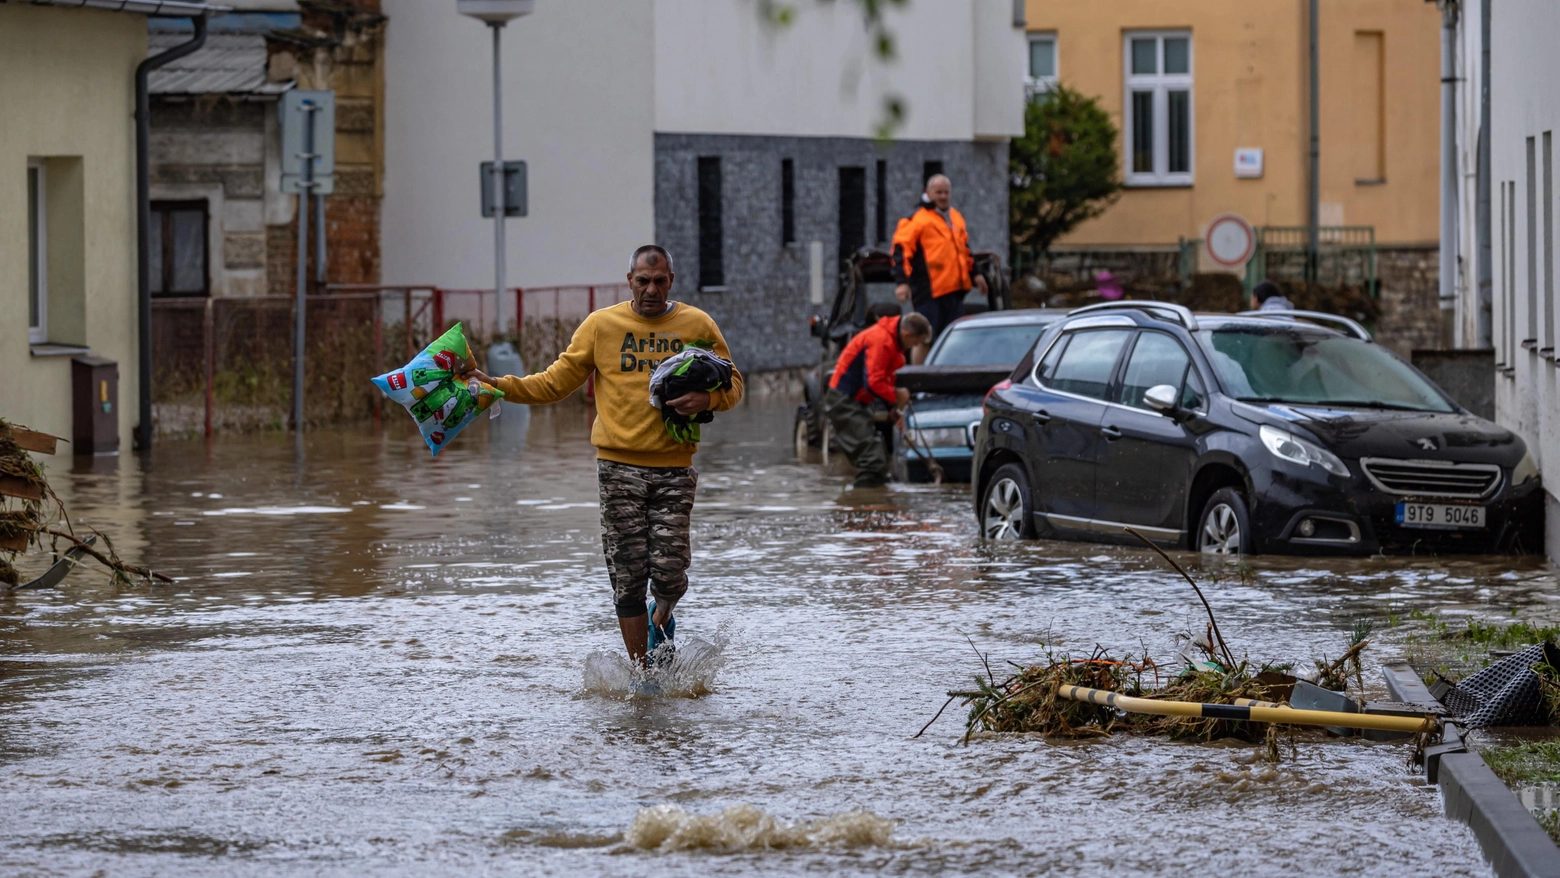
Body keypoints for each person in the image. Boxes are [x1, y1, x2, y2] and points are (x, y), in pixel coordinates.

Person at [462, 245, 743, 671]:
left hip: (674, 467)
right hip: (617, 468)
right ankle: (643, 676)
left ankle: (660, 618)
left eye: (660, 281)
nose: (651, 289)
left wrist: (709, 397)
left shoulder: (696, 324)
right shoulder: (602, 325)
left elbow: (734, 383)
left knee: (669, 574)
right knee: (628, 579)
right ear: (629, 280)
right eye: (643, 281)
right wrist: (497, 385)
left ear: (671, 281)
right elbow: (554, 383)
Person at [822, 311, 932, 488]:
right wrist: (897, 395)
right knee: (873, 462)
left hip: (854, 401)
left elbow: (883, 379)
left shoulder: (890, 341)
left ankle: (875, 503)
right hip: (844, 401)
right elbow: (873, 382)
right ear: (907, 335)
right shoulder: (881, 341)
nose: (914, 347)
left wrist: (894, 409)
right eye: (916, 343)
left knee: (878, 460)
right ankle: (861, 506)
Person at [891, 174, 988, 362]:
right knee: (923, 337)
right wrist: (902, 282)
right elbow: (901, 250)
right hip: (929, 291)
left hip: (954, 291)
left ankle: (951, 380)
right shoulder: (916, 218)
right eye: (938, 192)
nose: (943, 196)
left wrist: (976, 274)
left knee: (954, 339)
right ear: (928, 193)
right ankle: (920, 383)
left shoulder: (955, 217)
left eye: (946, 192)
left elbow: (964, 249)